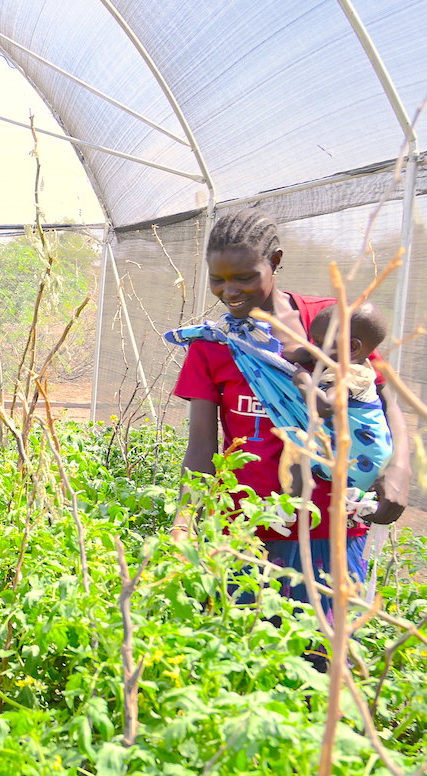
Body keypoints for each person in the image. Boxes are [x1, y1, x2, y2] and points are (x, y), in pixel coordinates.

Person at [170, 207, 408, 619]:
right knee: (237, 658)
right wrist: (183, 521)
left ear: (275, 262)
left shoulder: (331, 321)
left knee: (321, 658)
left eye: (244, 277)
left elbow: (385, 401)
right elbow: (201, 447)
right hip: (244, 528)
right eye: (218, 280)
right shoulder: (213, 345)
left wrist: (399, 470)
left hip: (332, 526)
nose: (229, 291)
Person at [283, 303, 393, 495]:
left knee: (297, 443)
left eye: (318, 343)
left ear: (352, 347)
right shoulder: (341, 360)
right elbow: (291, 353)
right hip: (347, 458)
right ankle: (289, 507)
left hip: (364, 460)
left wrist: (303, 380)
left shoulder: (352, 374)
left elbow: (325, 406)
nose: (313, 348)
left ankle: (289, 504)